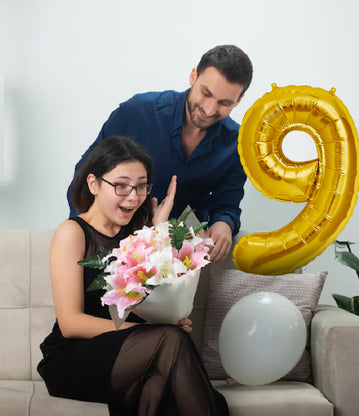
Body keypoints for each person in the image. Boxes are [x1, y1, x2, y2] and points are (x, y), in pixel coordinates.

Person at [38, 136, 229, 416]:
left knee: (157, 386)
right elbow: (70, 323)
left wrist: (159, 229)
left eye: (141, 186)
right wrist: (151, 332)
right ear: (93, 184)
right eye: (121, 185)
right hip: (75, 356)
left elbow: (153, 304)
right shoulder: (72, 232)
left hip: (136, 353)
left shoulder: (141, 235)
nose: (133, 196)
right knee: (170, 341)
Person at [68, 44, 253, 263]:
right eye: (206, 93)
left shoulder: (237, 144)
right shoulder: (137, 112)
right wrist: (86, 238)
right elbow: (86, 174)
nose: (209, 109)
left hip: (168, 254)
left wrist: (224, 223)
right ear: (193, 76)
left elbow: (227, 203)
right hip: (106, 241)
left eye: (224, 103)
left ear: (238, 100)